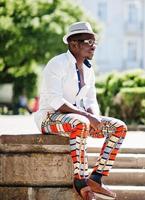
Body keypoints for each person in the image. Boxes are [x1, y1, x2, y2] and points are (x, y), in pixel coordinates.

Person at [34, 21, 127, 200]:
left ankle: (96, 178)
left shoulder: (88, 69)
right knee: (82, 122)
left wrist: (96, 119)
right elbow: (55, 100)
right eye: (88, 42)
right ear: (73, 44)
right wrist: (86, 116)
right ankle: (80, 181)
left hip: (78, 121)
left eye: (95, 43)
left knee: (119, 127)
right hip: (49, 118)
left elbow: (91, 99)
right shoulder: (57, 63)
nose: (93, 47)